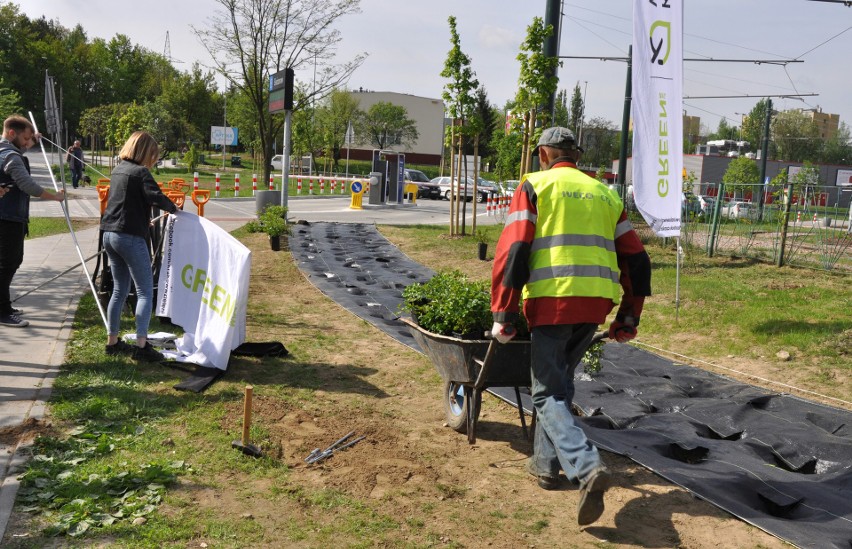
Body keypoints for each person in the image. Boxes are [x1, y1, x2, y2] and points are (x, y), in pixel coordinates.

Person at [490, 127, 651, 526]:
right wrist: (628, 316)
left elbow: (514, 249)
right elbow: (637, 260)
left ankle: (585, 465)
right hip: (594, 303)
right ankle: (545, 467)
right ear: (575, 155)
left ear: (543, 153)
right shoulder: (606, 194)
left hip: (551, 301)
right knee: (560, 384)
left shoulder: (535, 185)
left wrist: (502, 313)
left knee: (545, 394)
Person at [101, 131, 178, 361]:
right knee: (144, 291)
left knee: (119, 290)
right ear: (145, 152)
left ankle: (112, 342)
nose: (153, 160)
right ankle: (142, 347)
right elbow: (156, 197)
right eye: (153, 155)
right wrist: (174, 209)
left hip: (110, 234)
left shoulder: (118, 169)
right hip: (129, 237)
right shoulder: (141, 172)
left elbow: (128, 202)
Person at [0, 115, 66, 328]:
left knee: (11, 262)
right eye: (26, 139)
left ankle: (4, 305)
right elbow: (27, 184)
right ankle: (2, 311)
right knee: (7, 264)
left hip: (10, 218)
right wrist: (54, 196)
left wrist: (32, 137)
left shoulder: (6, 151)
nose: (28, 144)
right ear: (12, 134)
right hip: (7, 219)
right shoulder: (11, 156)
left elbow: (20, 150)